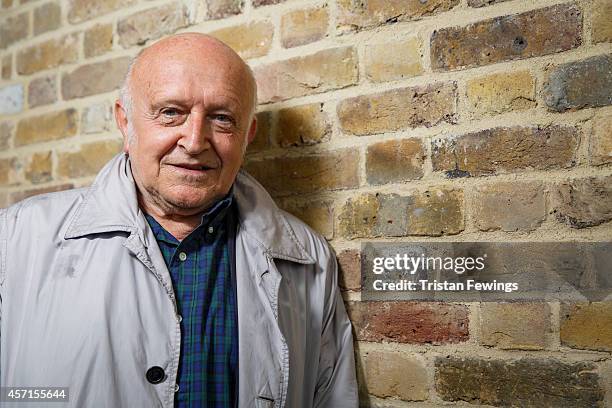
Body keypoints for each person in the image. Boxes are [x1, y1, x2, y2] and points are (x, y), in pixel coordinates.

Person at [0, 33, 358, 407]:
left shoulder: (310, 259)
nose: (194, 140)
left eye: (222, 119)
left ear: (247, 136)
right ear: (125, 122)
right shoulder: (15, 239)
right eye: (171, 112)